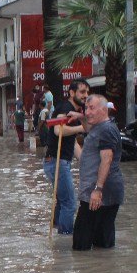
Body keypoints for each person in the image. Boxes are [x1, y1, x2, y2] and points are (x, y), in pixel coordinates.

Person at [72, 94, 125, 250]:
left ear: (104, 109)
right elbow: (89, 129)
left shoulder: (106, 130)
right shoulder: (100, 127)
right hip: (100, 192)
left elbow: (107, 159)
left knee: (81, 243)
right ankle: (103, 271)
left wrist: (98, 190)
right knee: (102, 244)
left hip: (99, 193)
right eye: (86, 108)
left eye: (92, 108)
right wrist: (81, 117)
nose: (88, 112)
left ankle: (91, 272)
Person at [43, 79, 89, 236]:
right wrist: (83, 127)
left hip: (58, 161)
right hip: (57, 161)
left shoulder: (73, 111)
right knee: (69, 202)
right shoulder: (66, 107)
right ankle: (66, 237)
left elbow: (72, 142)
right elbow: (58, 130)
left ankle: (58, 235)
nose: (85, 96)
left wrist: (84, 160)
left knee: (63, 202)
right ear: (72, 93)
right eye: (82, 92)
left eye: (87, 92)